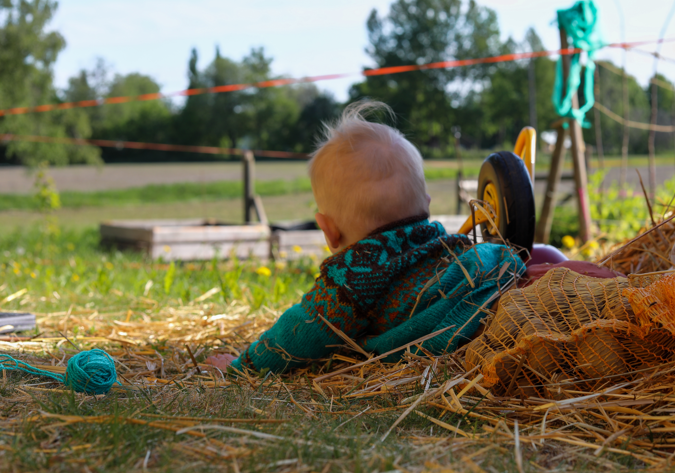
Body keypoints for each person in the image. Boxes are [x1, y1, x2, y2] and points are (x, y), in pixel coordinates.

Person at [206, 100, 522, 374]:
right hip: (508, 286)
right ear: (426, 204)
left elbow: (295, 334)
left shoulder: (354, 279)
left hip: (472, 338)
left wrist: (240, 366)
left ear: (328, 229)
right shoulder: (449, 249)